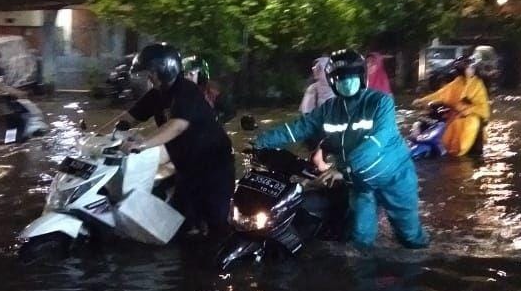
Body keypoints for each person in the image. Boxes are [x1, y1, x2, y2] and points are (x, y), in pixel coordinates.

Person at [253, 48, 429, 249]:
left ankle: (423, 270)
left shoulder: (381, 102)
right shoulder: (329, 109)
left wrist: (344, 169)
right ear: (332, 81)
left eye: (351, 77)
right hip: (359, 183)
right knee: (361, 240)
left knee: (410, 237)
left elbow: (377, 141)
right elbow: (296, 129)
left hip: (394, 179)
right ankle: (362, 277)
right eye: (340, 78)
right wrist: (260, 142)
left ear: (362, 77)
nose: (346, 82)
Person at [118, 43, 235, 237]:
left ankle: (220, 264)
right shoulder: (157, 94)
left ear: (165, 69)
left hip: (214, 167)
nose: (149, 77)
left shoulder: (186, 91)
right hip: (187, 168)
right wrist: (115, 132)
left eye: (152, 72)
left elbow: (177, 125)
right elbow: (131, 117)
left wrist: (142, 144)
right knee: (183, 223)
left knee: (216, 224)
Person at [412, 55, 490, 157]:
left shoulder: (478, 85)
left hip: (471, 121)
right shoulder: (456, 83)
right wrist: (423, 100)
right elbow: (441, 94)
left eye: (471, 68)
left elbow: (483, 109)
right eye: (467, 68)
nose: (470, 70)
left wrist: (468, 110)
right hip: (454, 118)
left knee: (473, 149)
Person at [182, 54, 235, 124]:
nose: (187, 77)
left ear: (201, 74)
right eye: (185, 74)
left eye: (191, 74)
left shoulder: (213, 91)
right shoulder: (182, 91)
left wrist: (215, 121)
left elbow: (230, 112)